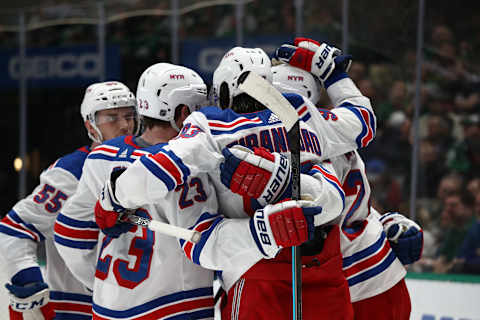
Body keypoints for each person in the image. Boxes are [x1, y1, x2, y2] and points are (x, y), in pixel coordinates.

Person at [94, 43, 376, 319]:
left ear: (223, 89)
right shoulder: (303, 114)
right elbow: (363, 122)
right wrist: (334, 75)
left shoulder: (211, 127)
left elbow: (162, 179)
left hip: (255, 274)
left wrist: (114, 196)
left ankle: (281, 186)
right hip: (326, 272)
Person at [54, 63, 220, 319]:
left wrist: (99, 282)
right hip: (176, 307)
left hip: (108, 308)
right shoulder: (195, 164)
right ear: (184, 111)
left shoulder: (101, 156)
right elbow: (214, 244)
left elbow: (68, 232)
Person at [271, 44, 423, 320]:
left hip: (326, 289)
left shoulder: (269, 142)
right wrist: (335, 75)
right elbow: (353, 204)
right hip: (379, 273)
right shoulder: (337, 129)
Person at [0, 81, 138, 319]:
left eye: (129, 116)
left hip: (136, 303)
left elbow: (142, 222)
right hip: (78, 307)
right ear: (91, 125)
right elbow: (16, 227)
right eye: (112, 118)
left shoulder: (146, 163)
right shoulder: (72, 171)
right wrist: (27, 276)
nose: (125, 125)